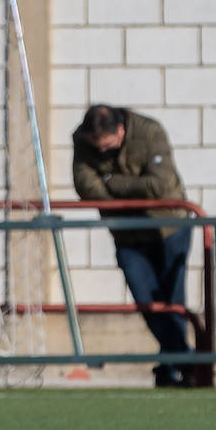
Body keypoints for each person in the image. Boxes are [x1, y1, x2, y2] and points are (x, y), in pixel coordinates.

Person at [72, 104, 195, 387]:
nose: (102, 152)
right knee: (147, 302)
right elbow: (85, 186)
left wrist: (110, 182)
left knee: (172, 302)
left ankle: (174, 367)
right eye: (97, 148)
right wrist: (124, 191)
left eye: (108, 146)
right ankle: (184, 360)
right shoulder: (81, 139)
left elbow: (159, 186)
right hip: (127, 235)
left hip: (169, 229)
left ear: (121, 130)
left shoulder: (149, 131)